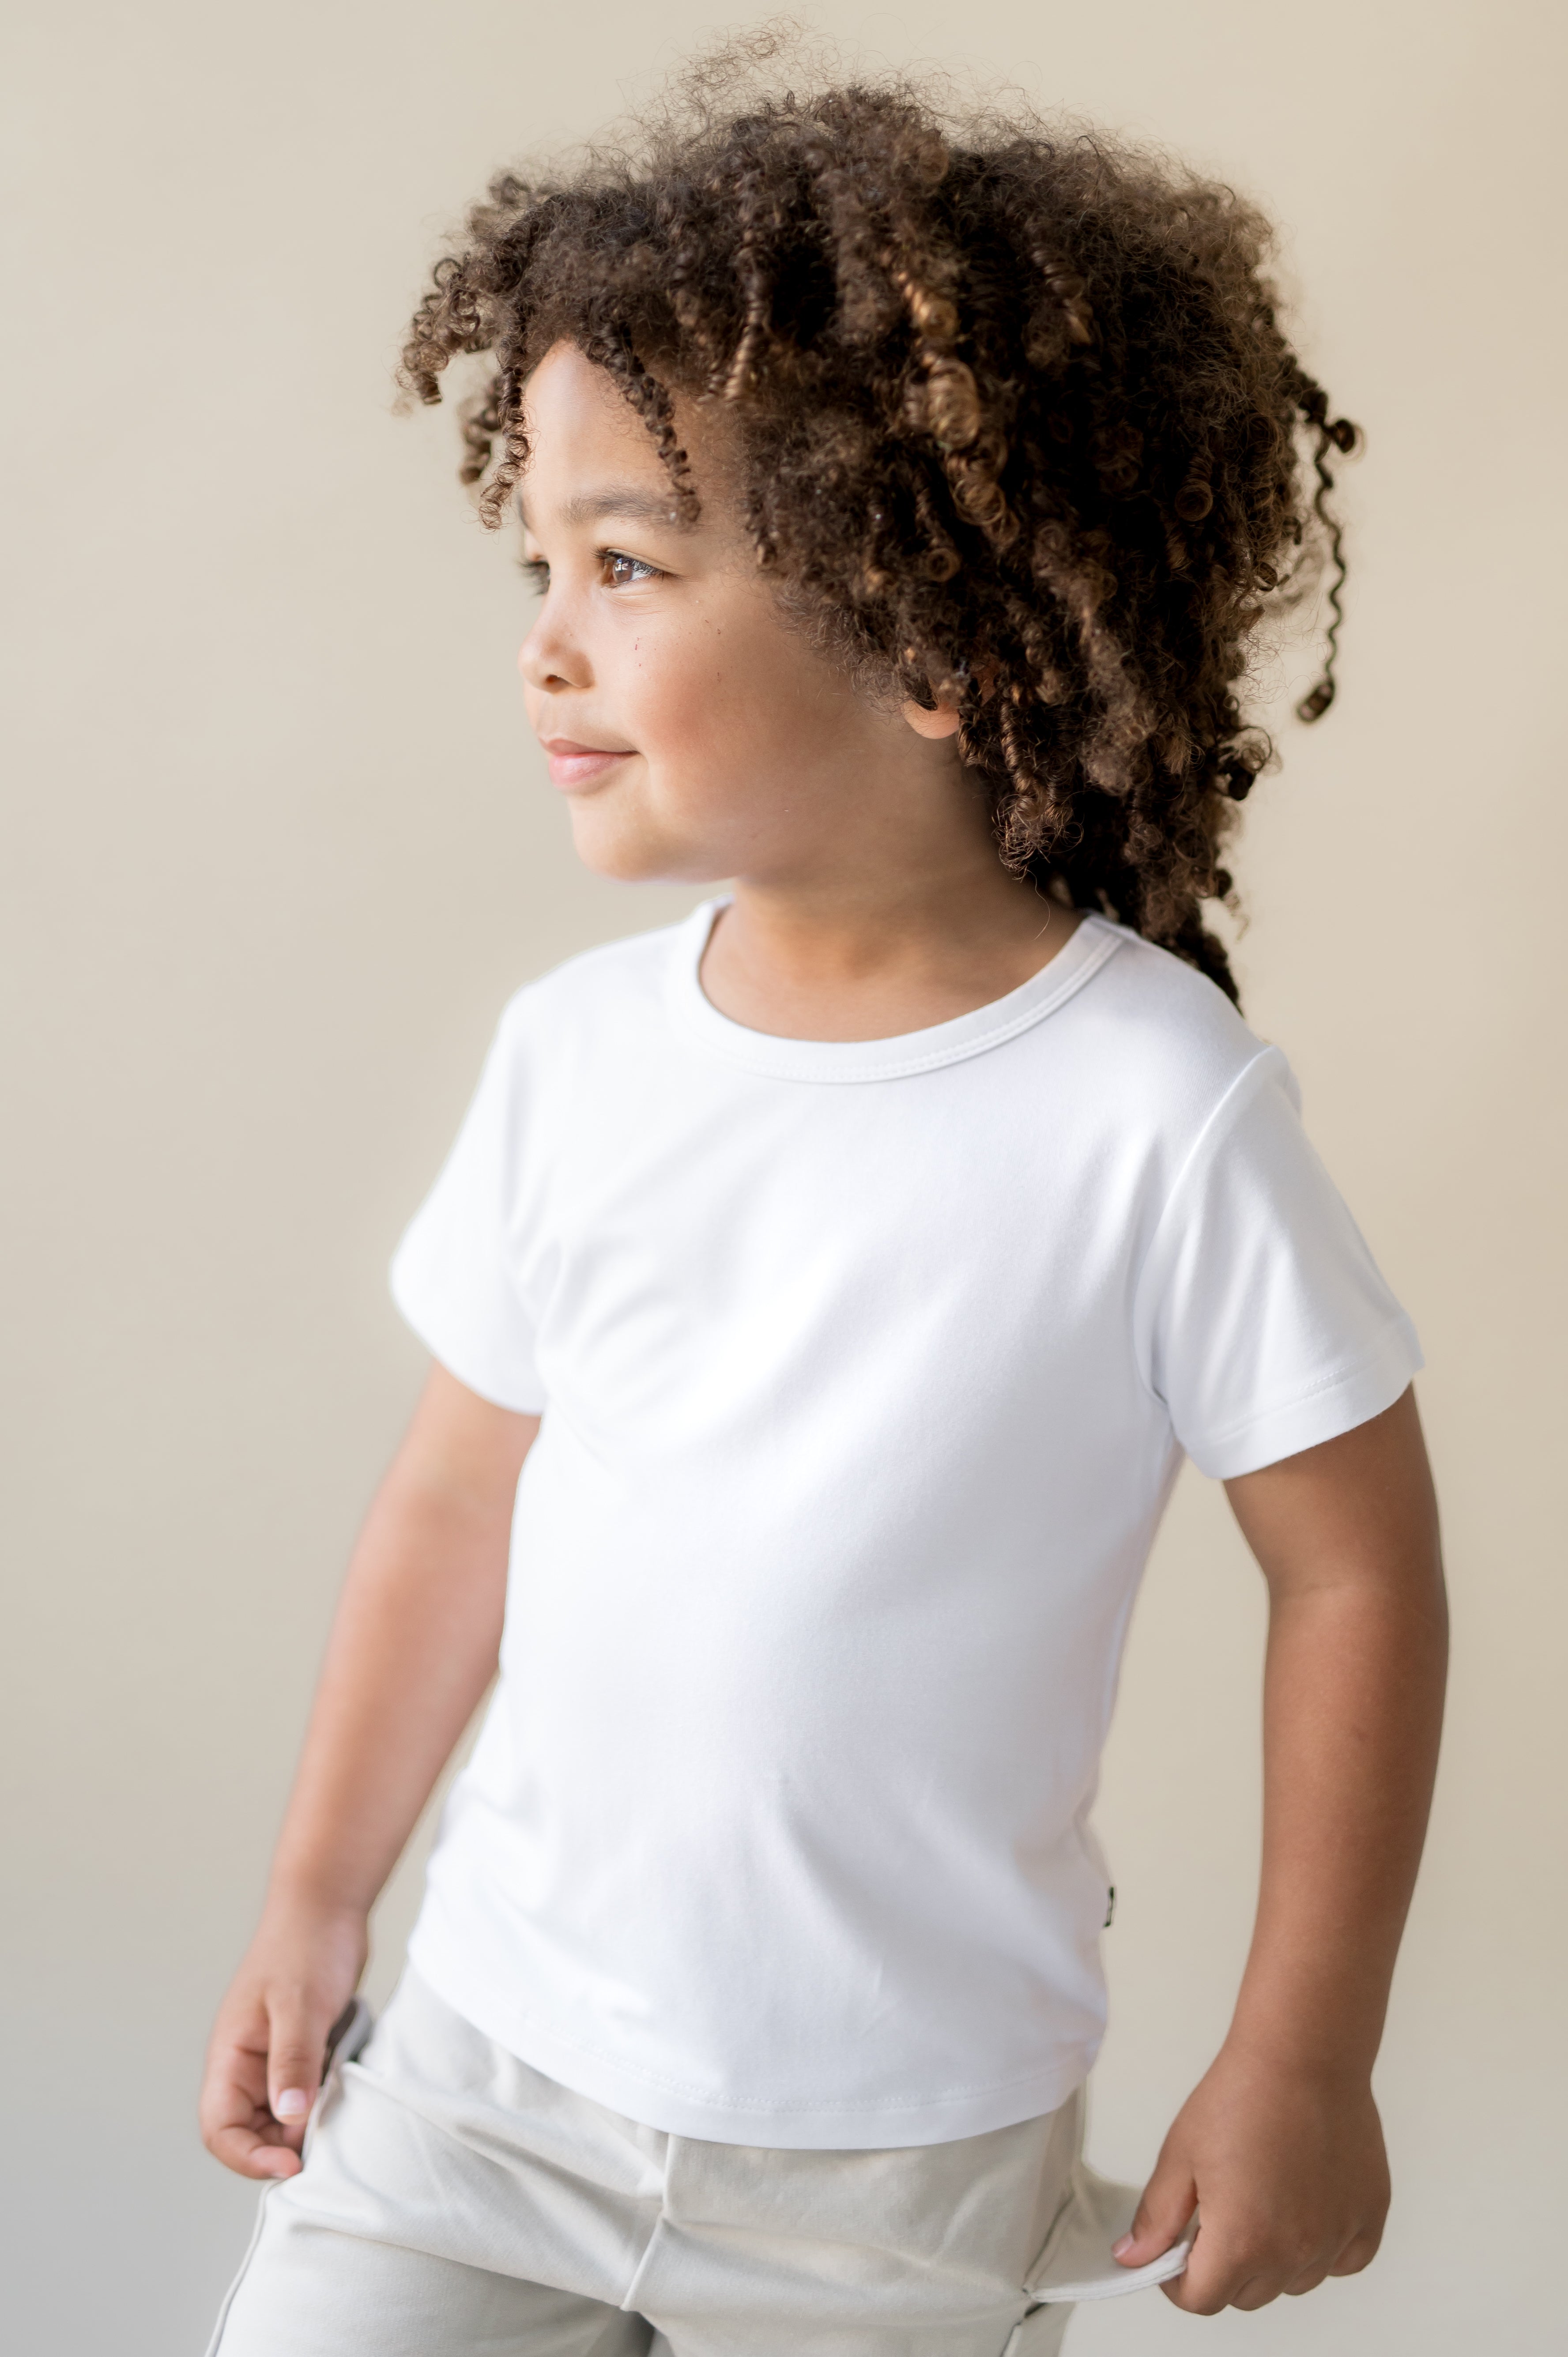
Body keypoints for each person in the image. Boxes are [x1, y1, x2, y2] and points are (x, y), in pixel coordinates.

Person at [198, 49, 1447, 2357]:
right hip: (485, 2087)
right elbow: (453, 1508)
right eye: (542, 560)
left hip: (900, 2171)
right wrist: (313, 1889)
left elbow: (1355, 1565)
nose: (544, 635)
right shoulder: (577, 1059)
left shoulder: (1157, 1111)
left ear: (948, 648)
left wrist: (1308, 2052)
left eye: (630, 565)